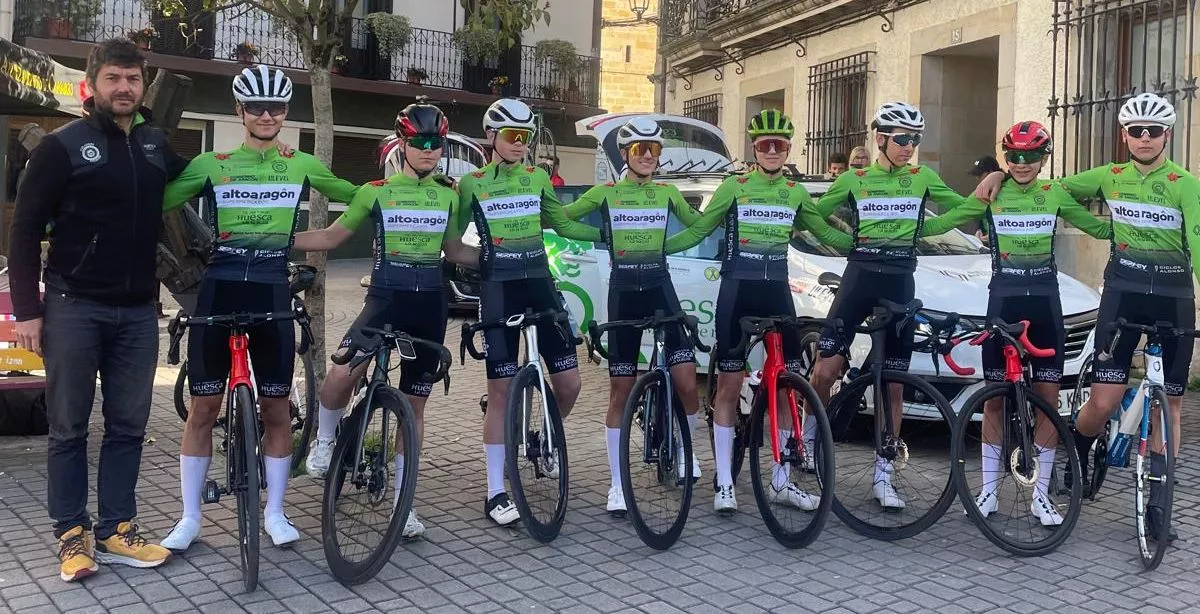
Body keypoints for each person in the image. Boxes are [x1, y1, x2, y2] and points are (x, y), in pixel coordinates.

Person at [977, 92, 1200, 542]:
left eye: (1152, 132)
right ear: (1124, 135)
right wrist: (998, 174)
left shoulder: (1185, 183)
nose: (1144, 138)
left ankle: (1159, 505)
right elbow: (1042, 183)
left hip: (1174, 297)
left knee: (1171, 405)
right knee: (1103, 402)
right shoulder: (1107, 176)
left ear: (1167, 136)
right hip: (1123, 295)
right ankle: (1078, 446)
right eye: (1135, 131)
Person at [158, 65, 360, 552]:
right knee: (203, 408)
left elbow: (359, 199)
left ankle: (274, 511)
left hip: (272, 288)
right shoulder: (213, 162)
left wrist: (414, 197)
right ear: (240, 112)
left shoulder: (302, 163)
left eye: (276, 108)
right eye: (256, 108)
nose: (267, 115)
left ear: (287, 114)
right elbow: (157, 201)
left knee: (275, 409)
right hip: (220, 287)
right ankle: (188, 519)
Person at [10, 38, 183, 582]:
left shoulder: (155, 145)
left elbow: (201, 177)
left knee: (129, 425)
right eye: (114, 78)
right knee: (67, 427)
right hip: (72, 307)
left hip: (137, 312)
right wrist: (26, 310)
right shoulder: (61, 148)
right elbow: (23, 228)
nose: (124, 88)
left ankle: (116, 528)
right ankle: (70, 534)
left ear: (142, 83)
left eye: (133, 79)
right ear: (93, 85)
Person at [297, 104, 479, 538]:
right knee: (341, 374)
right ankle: (324, 441)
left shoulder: (450, 194)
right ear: (403, 144)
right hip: (384, 301)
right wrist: (268, 238)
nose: (429, 151)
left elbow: (454, 251)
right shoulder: (374, 191)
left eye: (437, 144)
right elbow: (331, 237)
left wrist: (503, 259)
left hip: (429, 305)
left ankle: (404, 503)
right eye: (420, 143)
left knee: (414, 407)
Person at [921, 121, 1111, 526]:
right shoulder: (993, 191)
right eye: (1013, 157)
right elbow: (950, 219)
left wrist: (1147, 230)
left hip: (1045, 303)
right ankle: (989, 489)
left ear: (1044, 159)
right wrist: (905, 228)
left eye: (1030, 156)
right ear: (1006, 158)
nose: (1021, 164)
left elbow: (1097, 227)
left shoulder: (1055, 192)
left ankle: (1040, 496)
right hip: (1003, 303)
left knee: (1046, 399)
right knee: (993, 397)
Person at [802, 101, 969, 511]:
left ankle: (884, 474)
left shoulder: (922, 177)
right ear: (881, 139)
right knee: (825, 368)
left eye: (915, 140)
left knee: (893, 382)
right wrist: (847, 243)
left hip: (899, 280)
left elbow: (965, 207)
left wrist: (921, 231)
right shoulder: (856, 179)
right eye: (902, 139)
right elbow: (811, 216)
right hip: (860, 275)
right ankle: (804, 442)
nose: (909, 146)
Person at [664, 109, 821, 514]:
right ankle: (723, 482)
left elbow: (826, 232)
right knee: (730, 386)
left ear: (788, 149)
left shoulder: (795, 191)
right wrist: (657, 249)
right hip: (737, 293)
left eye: (780, 144)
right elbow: (699, 230)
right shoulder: (734, 187)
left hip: (777, 295)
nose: (772, 150)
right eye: (765, 144)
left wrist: (870, 240)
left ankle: (782, 481)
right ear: (754, 147)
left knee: (787, 389)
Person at [454, 98, 599, 525]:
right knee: (500, 393)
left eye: (526, 137)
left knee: (570, 384)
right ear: (492, 138)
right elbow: (451, 244)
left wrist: (608, 229)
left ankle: (543, 436)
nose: (520, 144)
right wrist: (483, 261)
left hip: (540, 286)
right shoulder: (472, 184)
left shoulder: (538, 178)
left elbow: (565, 225)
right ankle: (496, 491)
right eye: (513, 136)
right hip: (499, 291)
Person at [562, 118, 702, 516]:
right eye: (639, 149)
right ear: (624, 154)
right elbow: (563, 218)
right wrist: (604, 237)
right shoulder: (606, 193)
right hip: (623, 292)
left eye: (653, 150)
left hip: (661, 288)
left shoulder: (667, 192)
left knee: (688, 382)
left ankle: (687, 452)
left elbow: (700, 226)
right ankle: (618, 483)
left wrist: (665, 243)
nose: (646, 156)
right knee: (621, 388)